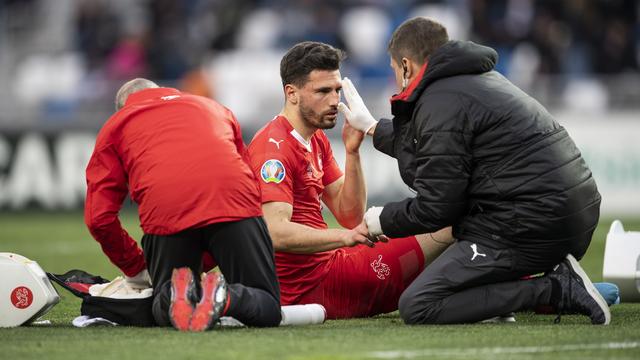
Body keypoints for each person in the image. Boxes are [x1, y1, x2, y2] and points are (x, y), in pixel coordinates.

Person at [339, 17, 611, 325]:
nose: (394, 77)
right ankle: (499, 296)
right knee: (462, 235)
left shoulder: (440, 99)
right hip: (564, 214)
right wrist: (373, 128)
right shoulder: (474, 81)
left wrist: (379, 220)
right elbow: (434, 151)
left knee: (418, 305)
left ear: (406, 65)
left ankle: (556, 288)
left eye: (392, 69)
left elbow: (438, 207)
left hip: (534, 224)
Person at [246, 41, 454, 319]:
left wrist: (352, 152)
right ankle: (519, 291)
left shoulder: (315, 137)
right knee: (451, 218)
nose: (335, 101)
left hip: (333, 268)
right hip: (314, 286)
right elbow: (274, 231)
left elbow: (349, 214)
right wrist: (345, 238)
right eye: (322, 91)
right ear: (292, 94)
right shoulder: (274, 149)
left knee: (446, 225)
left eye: (336, 90)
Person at [84, 78, 281, 331]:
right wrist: (208, 262)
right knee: (267, 306)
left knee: (164, 306)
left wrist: (136, 267)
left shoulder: (116, 125)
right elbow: (250, 178)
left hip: (167, 214)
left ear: (123, 106)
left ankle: (172, 294)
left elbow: (98, 219)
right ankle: (225, 296)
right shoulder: (215, 108)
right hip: (233, 201)